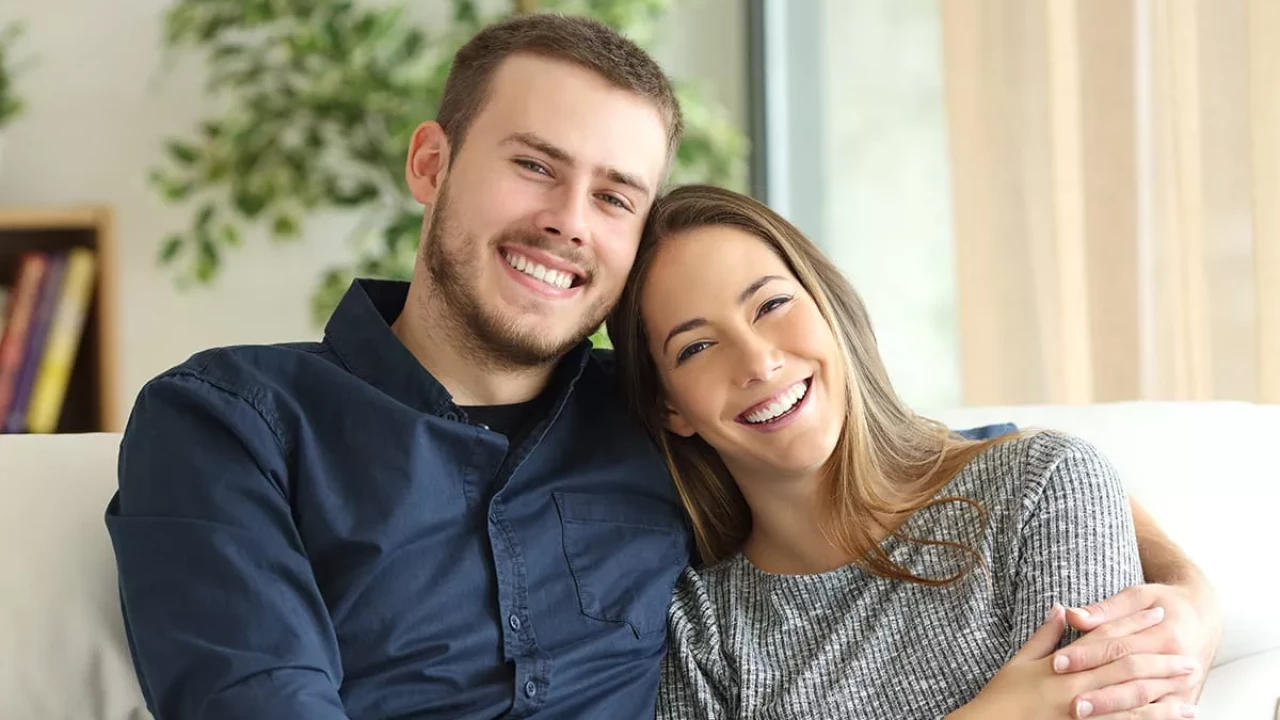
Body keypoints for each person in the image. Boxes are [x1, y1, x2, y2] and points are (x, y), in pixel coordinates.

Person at [105, 13, 1219, 720]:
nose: (566, 223)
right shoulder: (234, 420)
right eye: (532, 167)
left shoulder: (660, 415)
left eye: (614, 195)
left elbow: (936, 460)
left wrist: (1187, 594)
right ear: (430, 162)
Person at [607, 184, 1212, 720]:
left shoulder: (1039, 489)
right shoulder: (701, 637)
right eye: (697, 347)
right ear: (670, 407)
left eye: (771, 305)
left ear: (828, 308)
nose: (758, 361)